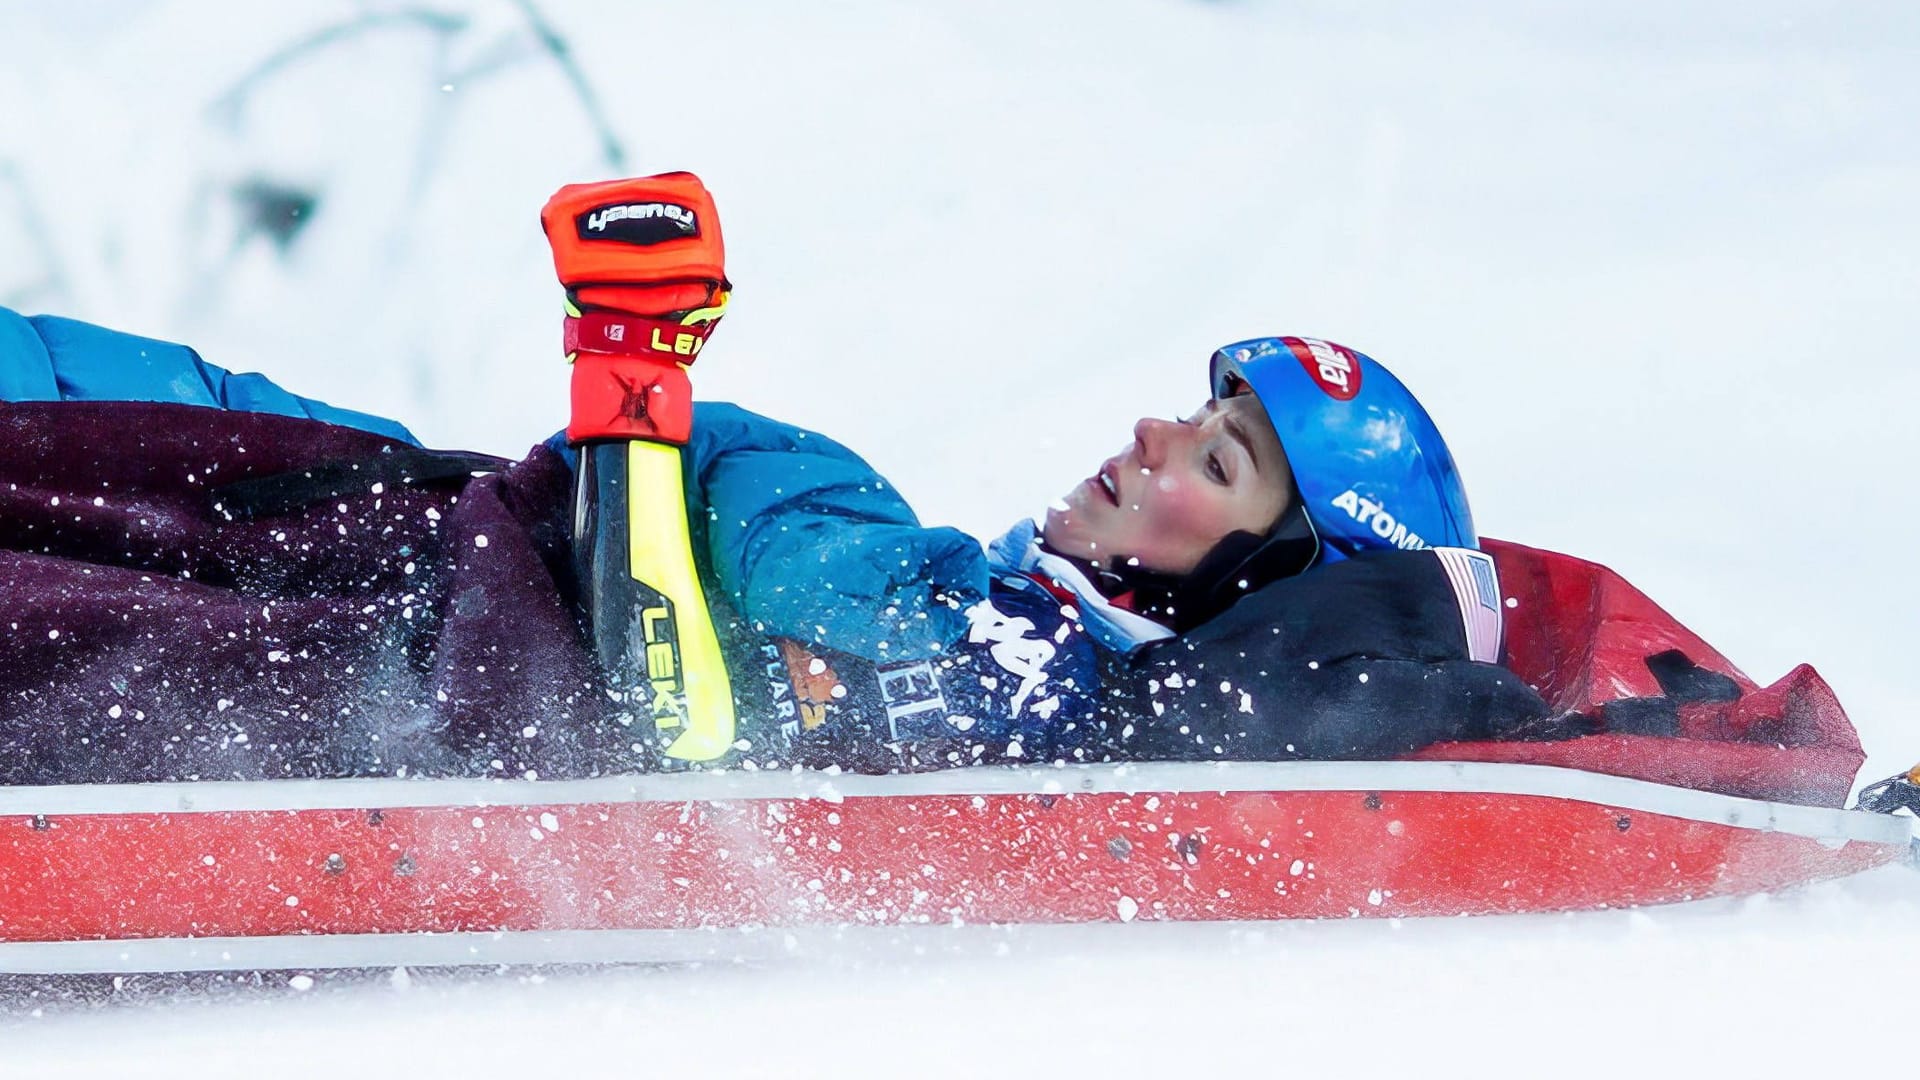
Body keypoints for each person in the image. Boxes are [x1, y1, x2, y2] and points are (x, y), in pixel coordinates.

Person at [0, 306, 1544, 785]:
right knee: (151, 414)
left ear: (1257, 581)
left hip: (410, 639)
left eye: (1217, 461)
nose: (1148, 441)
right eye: (1188, 417)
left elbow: (1406, 700)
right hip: (459, 537)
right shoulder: (964, 591)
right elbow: (740, 471)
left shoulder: (1042, 680)